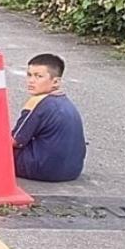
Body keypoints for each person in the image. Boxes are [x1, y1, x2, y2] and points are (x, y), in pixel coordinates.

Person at [12, 53, 86, 182]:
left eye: (38, 76)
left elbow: (16, 140)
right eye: (29, 75)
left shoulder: (37, 102)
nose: (31, 80)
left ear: (56, 82)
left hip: (44, 170)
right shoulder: (66, 102)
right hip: (72, 171)